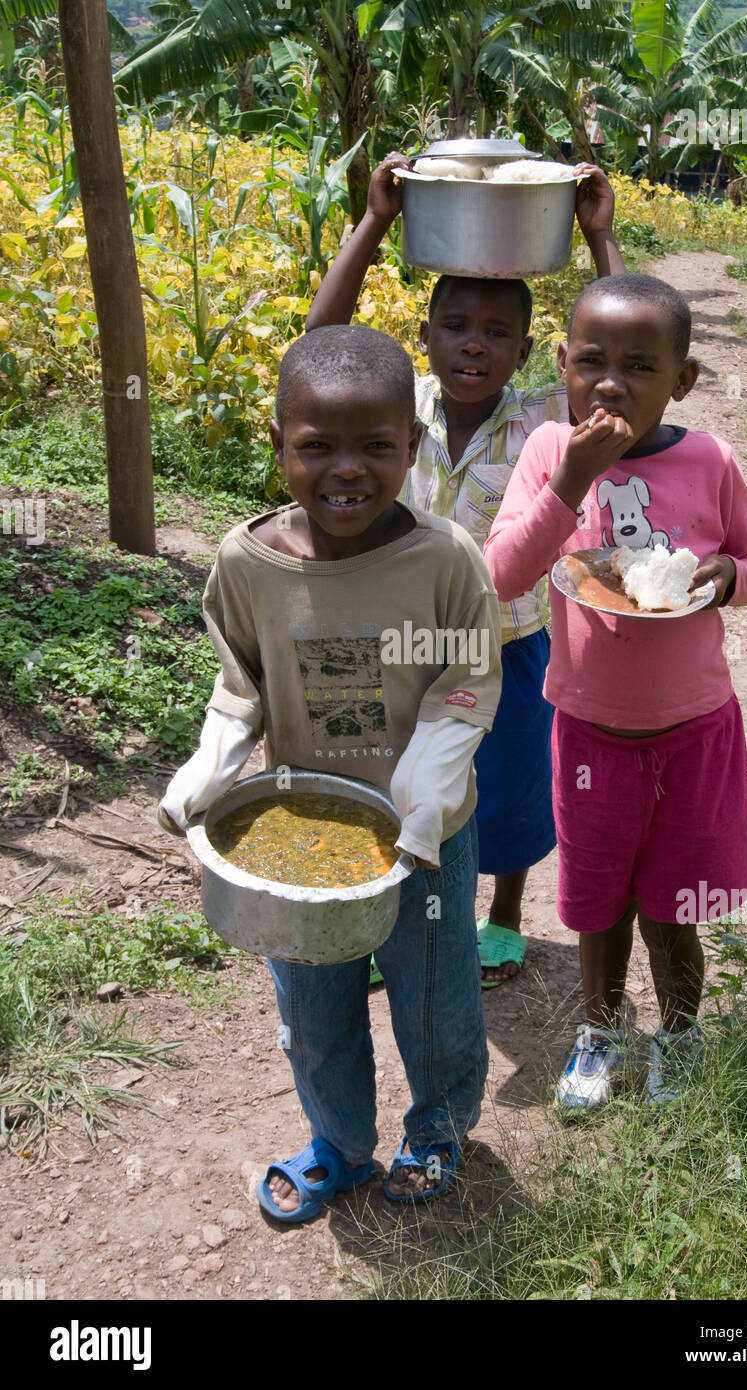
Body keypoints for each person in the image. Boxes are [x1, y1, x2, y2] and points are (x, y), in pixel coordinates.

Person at [158, 325, 502, 1219]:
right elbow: (242, 683)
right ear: (277, 443)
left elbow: (464, 688)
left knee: (435, 1000)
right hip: (300, 837)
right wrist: (212, 766)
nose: (346, 470)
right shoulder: (250, 563)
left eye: (376, 447)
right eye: (316, 447)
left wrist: (420, 805)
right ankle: (339, 1145)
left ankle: (436, 1129)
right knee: (312, 1007)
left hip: (427, 840)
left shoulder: (443, 562)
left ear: (412, 447)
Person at [307, 151, 626, 987]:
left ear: (528, 352)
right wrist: (376, 221)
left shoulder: (545, 423)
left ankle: (503, 915)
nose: (473, 346)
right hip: (398, 636)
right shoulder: (394, 406)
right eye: (455, 327)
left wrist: (600, 237)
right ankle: (391, 912)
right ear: (425, 338)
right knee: (391, 775)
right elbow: (321, 347)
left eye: (496, 333)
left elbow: (621, 368)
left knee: (511, 783)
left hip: (510, 641)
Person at [483, 274, 747, 1109]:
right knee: (597, 903)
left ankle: (679, 1035)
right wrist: (570, 482)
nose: (610, 383)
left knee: (676, 904)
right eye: (591, 361)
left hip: (694, 732)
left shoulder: (709, 460)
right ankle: (601, 1031)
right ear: (563, 363)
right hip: (588, 733)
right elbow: (505, 572)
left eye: (640, 366)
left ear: (680, 381)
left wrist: (724, 580)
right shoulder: (547, 453)